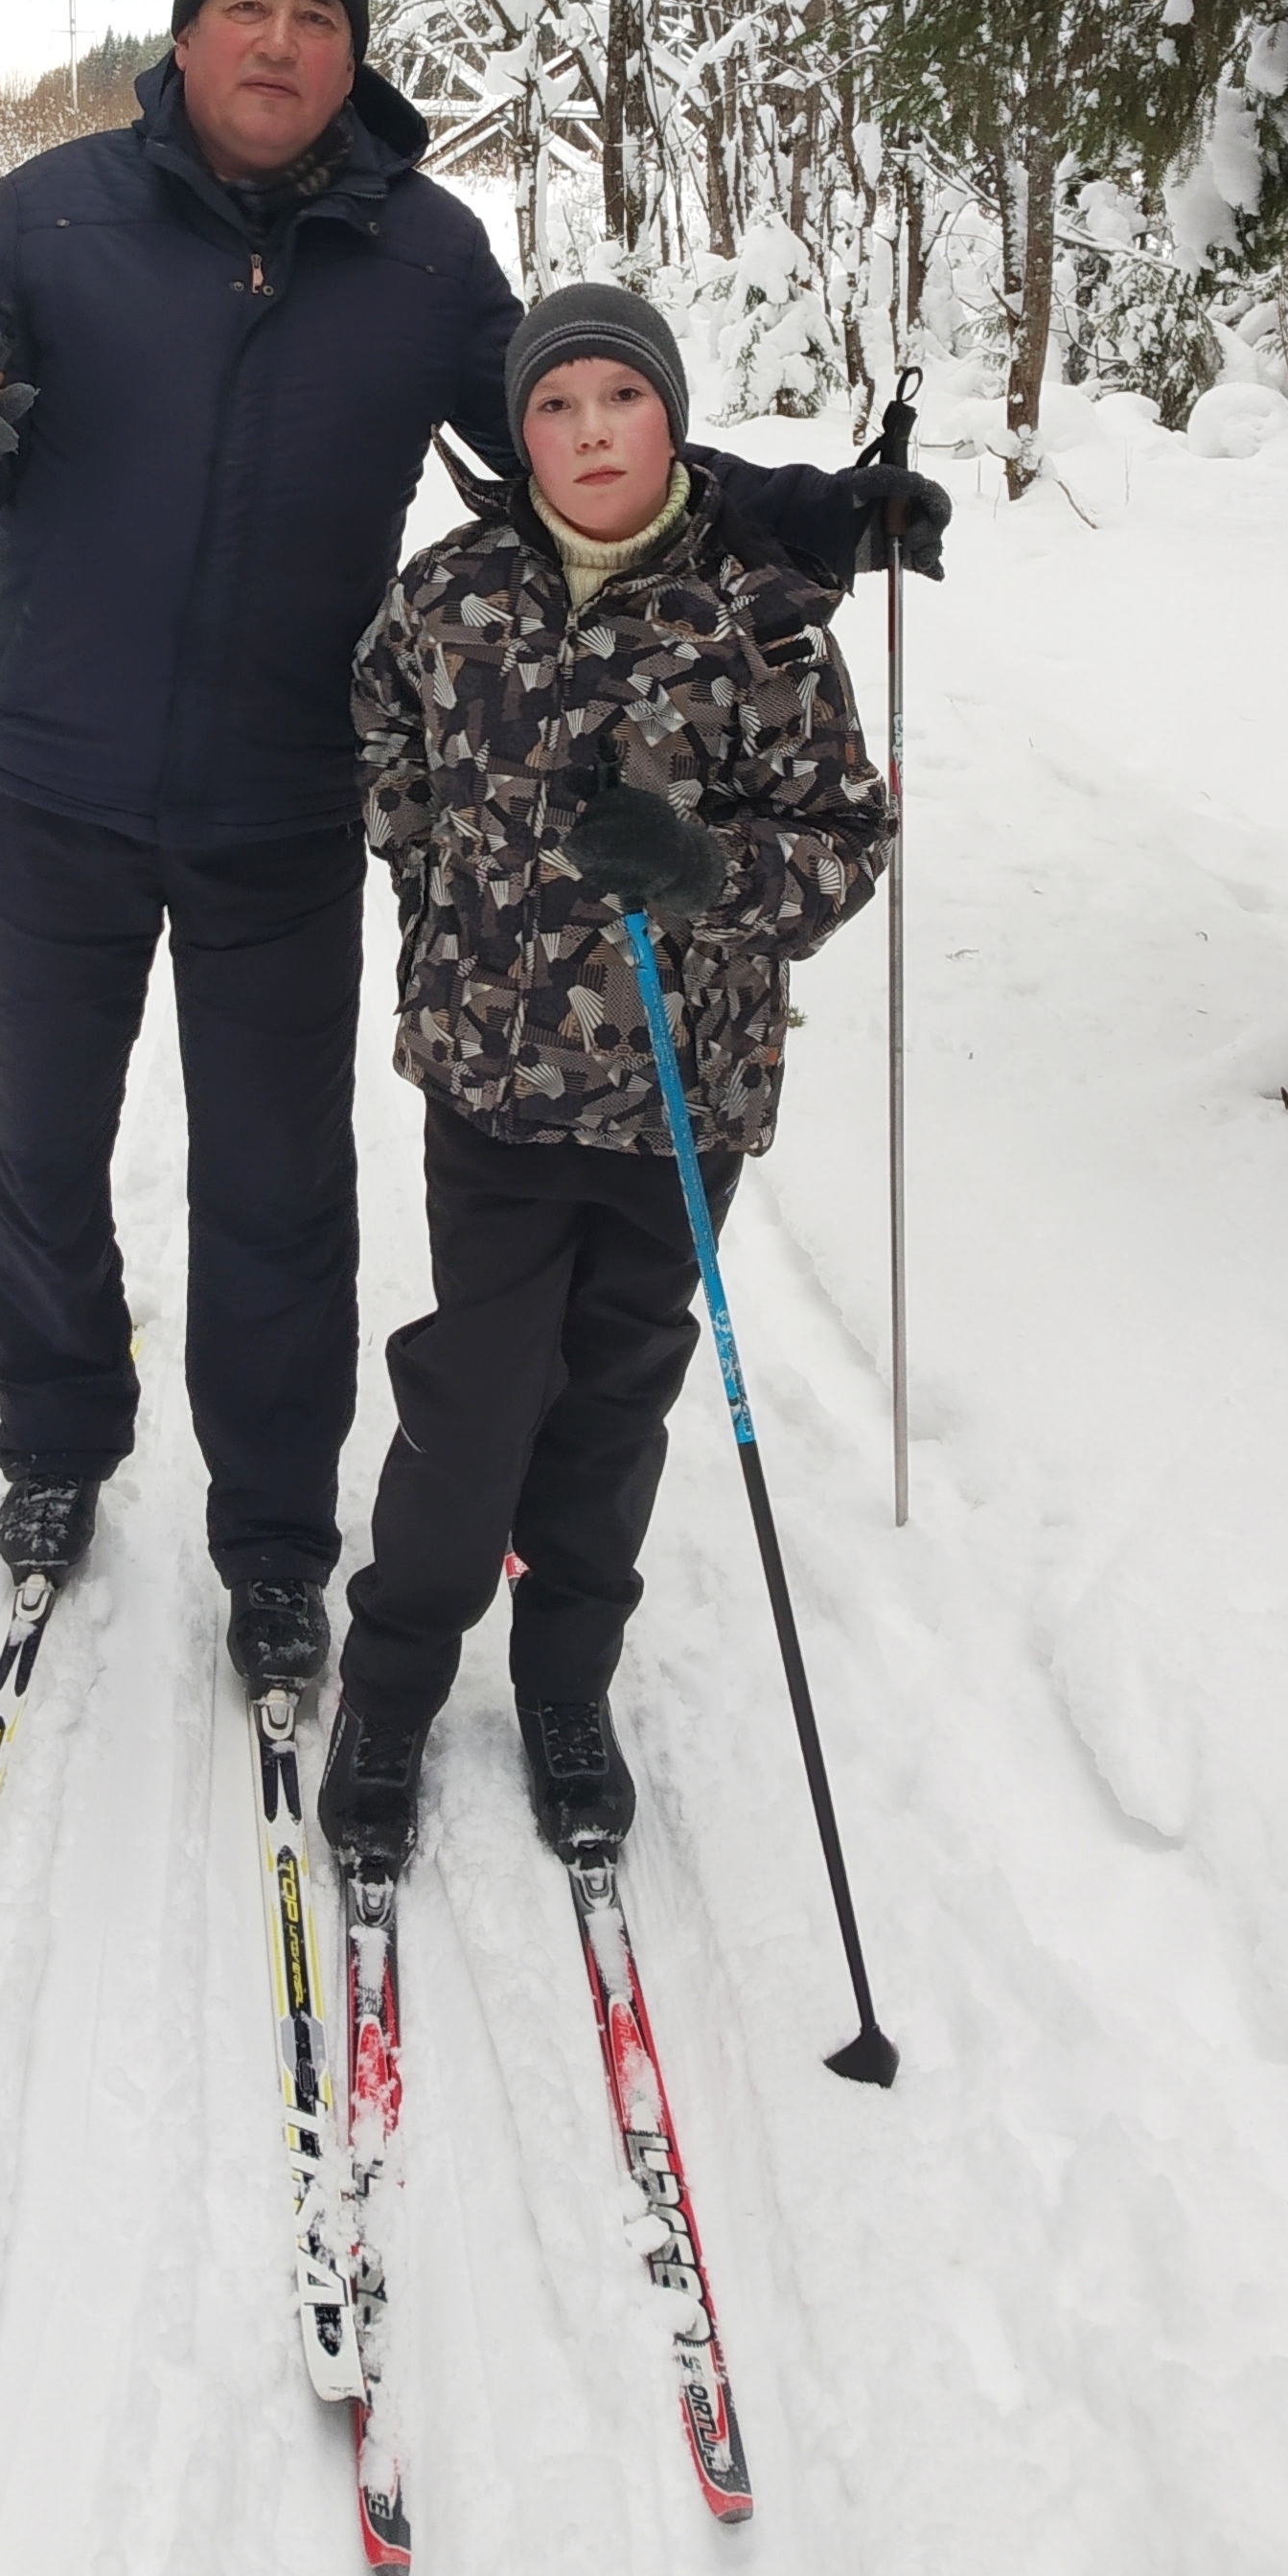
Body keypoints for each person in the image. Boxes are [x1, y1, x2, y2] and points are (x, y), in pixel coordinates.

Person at [0, 0, 943, 1693]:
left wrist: (801, 512)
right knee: (36, 1138)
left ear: (352, 57)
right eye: (250, 5)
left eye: (319, 15)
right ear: (188, 34)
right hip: (49, 777)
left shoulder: (428, 255)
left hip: (280, 803)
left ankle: (276, 1524)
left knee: (276, 1178)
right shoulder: (54, 214)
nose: (282, 40)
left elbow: (575, 440)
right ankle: (56, 1436)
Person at [317, 283, 891, 1863]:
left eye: (618, 403)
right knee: (474, 1399)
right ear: (520, 434)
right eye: (556, 409)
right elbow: (381, 735)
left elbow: (849, 845)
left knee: (615, 1400)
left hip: (682, 1102)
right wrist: (432, 880)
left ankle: (569, 1681)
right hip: (493, 1084)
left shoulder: (757, 614)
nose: (588, 436)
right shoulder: (451, 594)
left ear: (669, 417)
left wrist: (708, 868)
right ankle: (395, 1684)